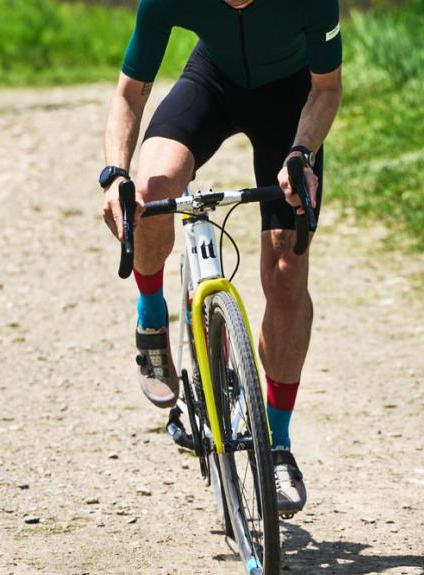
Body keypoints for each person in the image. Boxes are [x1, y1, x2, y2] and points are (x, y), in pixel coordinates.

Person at [99, 0, 342, 516]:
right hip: (213, 82)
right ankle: (150, 320)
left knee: (285, 273)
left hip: (291, 105)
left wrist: (301, 153)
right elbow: (128, 94)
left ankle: (276, 444)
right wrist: (114, 174)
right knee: (151, 189)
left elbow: (327, 89)